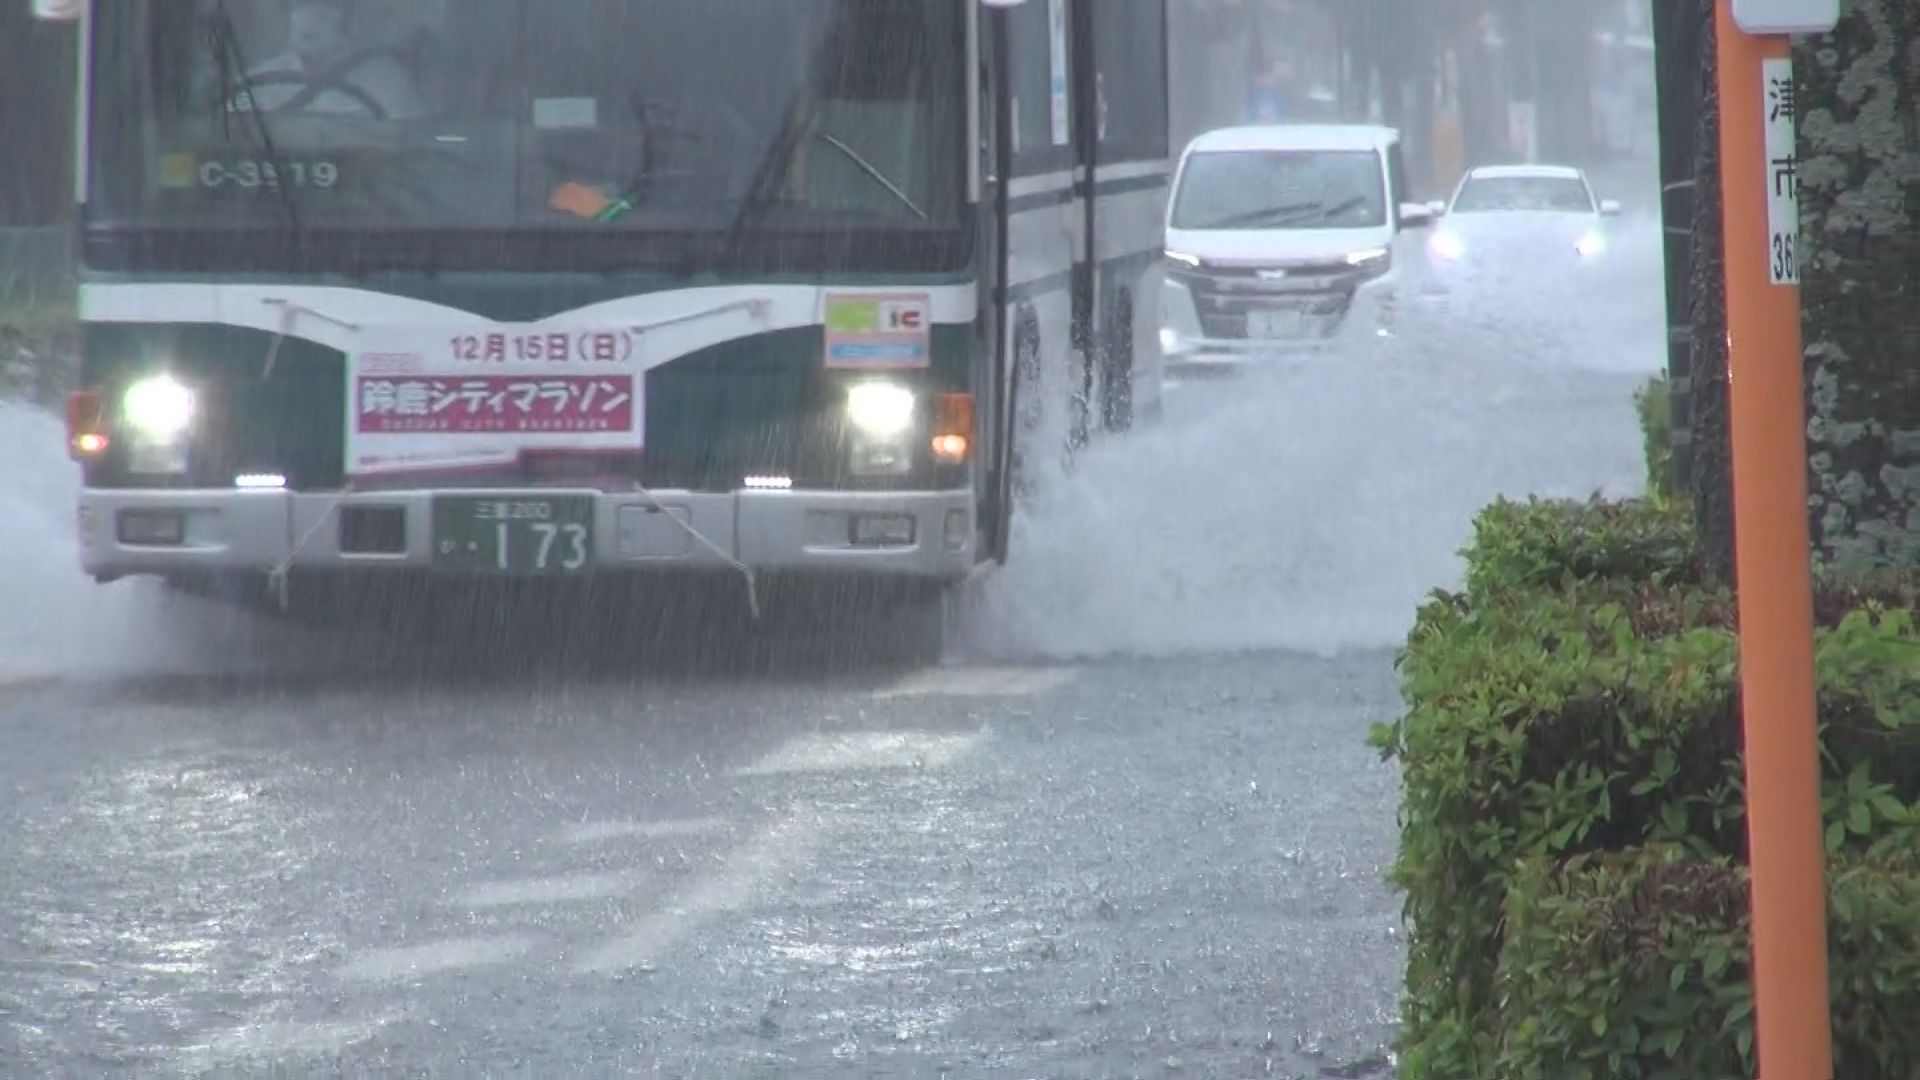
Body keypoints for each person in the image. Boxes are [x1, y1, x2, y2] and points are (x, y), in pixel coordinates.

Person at [233, 0, 428, 120]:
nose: (310, 16)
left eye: (325, 7)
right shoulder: (258, 81)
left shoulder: (388, 81)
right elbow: (232, 138)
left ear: (349, 21)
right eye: (300, 4)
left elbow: (410, 152)